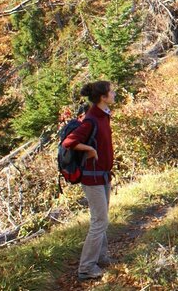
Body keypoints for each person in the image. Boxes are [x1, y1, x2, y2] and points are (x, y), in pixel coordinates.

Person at [63, 80, 115, 281]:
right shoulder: (92, 119)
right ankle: (86, 268)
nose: (114, 94)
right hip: (92, 178)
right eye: (111, 92)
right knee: (99, 220)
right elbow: (69, 142)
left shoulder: (104, 115)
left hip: (103, 175)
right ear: (103, 97)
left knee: (103, 219)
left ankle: (101, 257)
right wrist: (90, 149)